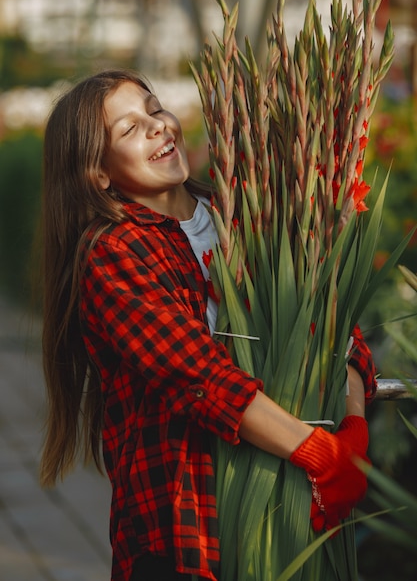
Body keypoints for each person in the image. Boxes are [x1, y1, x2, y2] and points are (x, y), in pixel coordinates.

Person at [39, 69, 377, 581]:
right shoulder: (113, 253)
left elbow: (336, 329)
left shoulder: (248, 215)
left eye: (155, 109)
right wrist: (319, 454)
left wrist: (350, 431)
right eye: (128, 130)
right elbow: (195, 374)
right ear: (98, 173)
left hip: (291, 514)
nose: (157, 127)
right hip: (186, 536)